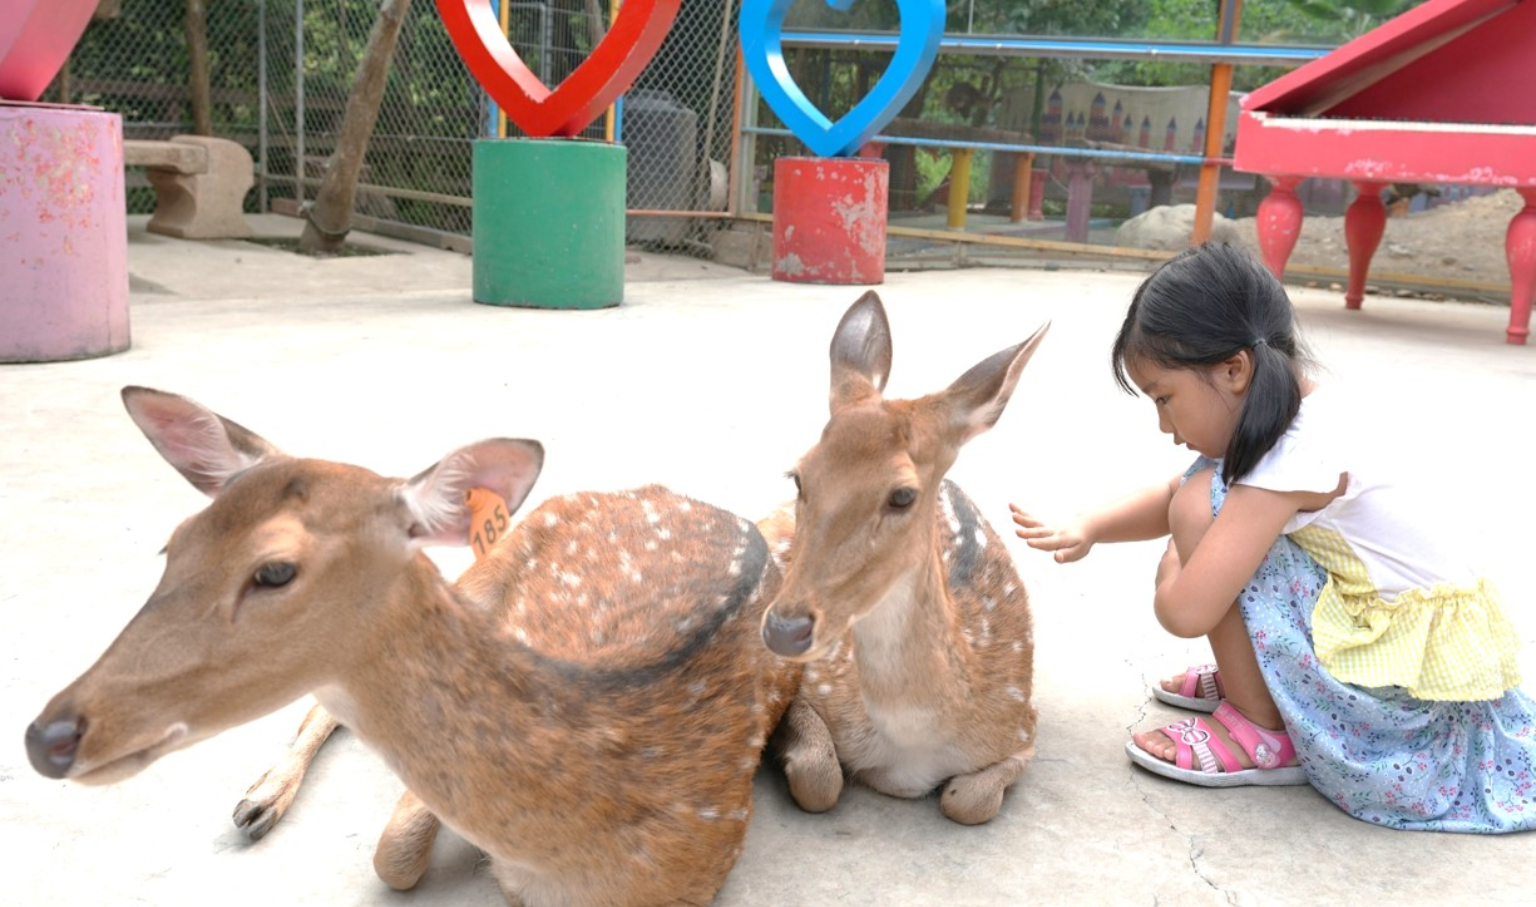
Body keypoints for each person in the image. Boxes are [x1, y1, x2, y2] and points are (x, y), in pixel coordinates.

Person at [1012, 242, 1536, 832]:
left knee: (1201, 504)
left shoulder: (1291, 462)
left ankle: (1260, 725)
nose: (1163, 424)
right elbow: (1171, 492)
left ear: (1233, 370)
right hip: (1402, 662)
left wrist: (1175, 561)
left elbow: (1186, 610)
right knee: (1202, 494)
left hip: (1400, 707)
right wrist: (1090, 525)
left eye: (1164, 398)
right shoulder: (1295, 415)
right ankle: (1262, 677)